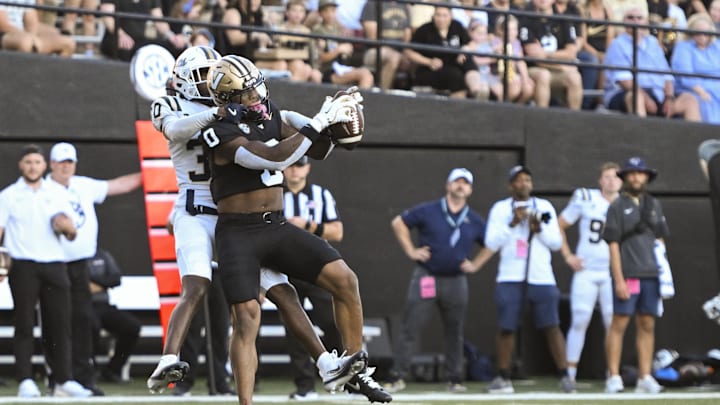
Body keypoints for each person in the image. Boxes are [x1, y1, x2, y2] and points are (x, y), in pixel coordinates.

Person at [148, 48, 387, 403]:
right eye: (247, 91)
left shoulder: (265, 110)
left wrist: (338, 122)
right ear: (226, 94)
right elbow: (271, 156)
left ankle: (348, 366)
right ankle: (172, 360)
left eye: (256, 87)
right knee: (232, 307)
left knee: (321, 284)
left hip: (272, 225)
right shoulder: (215, 123)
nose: (256, 96)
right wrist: (319, 121)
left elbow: (313, 145)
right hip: (222, 223)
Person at [44, 141, 141, 395]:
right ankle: (58, 377)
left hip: (80, 264)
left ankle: (83, 379)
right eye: (61, 162)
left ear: (74, 164)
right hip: (53, 263)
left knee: (83, 321)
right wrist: (62, 225)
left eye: (69, 162)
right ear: (52, 164)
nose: (65, 167)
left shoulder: (83, 185)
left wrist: (152, 172)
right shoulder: (43, 189)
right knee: (57, 322)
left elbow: (120, 185)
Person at [0, 144, 91, 398]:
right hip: (23, 265)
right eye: (28, 162)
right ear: (21, 165)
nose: (32, 167)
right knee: (24, 323)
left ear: (44, 166)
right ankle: (26, 380)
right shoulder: (8, 195)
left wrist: (67, 228)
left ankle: (62, 380)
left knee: (60, 325)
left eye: (37, 162)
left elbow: (68, 229)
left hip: (54, 263)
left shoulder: (57, 192)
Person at [383, 168, 486, 393]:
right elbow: (398, 223)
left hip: (456, 280)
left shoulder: (474, 219)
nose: (460, 186)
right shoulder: (429, 210)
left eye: (465, 183)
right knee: (411, 325)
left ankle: (455, 378)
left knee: (455, 330)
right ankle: (397, 376)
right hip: (427, 276)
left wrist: (476, 264)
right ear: (448, 185)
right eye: (457, 182)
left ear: (470, 189)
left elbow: (491, 242)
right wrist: (411, 250)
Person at [483, 165, 575, 394]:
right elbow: (491, 243)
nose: (523, 184)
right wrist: (512, 223)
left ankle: (565, 375)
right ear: (510, 185)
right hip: (510, 276)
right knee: (507, 327)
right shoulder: (500, 209)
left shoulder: (544, 207)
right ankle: (503, 376)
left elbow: (555, 242)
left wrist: (538, 228)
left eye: (527, 180)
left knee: (552, 326)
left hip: (541, 277)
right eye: (518, 180)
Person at [602, 157, 669, 394]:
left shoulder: (654, 204)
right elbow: (612, 244)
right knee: (619, 322)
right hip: (629, 273)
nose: (636, 178)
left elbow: (660, 239)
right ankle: (614, 376)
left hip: (651, 273)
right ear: (625, 178)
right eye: (631, 174)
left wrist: (665, 273)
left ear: (647, 177)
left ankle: (645, 376)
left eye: (640, 173)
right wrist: (618, 278)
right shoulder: (617, 206)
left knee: (647, 323)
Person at [281, 156, 341, 400]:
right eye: (291, 165)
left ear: (308, 167)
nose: (295, 170)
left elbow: (337, 231)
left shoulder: (320, 195)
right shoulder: (273, 195)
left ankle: (343, 376)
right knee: (294, 328)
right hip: (286, 267)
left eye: (300, 165)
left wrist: (308, 225)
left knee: (332, 321)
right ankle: (305, 386)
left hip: (316, 268)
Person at [558, 162, 623, 382]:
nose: (611, 180)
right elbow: (559, 225)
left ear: (621, 181)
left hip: (612, 273)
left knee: (612, 323)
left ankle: (612, 374)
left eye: (615, 177)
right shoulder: (586, 198)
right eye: (606, 176)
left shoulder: (626, 204)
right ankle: (570, 373)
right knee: (580, 319)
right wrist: (568, 256)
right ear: (599, 180)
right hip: (586, 270)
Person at [603, 7, 700, 120]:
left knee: (690, 100)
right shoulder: (617, 45)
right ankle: (641, 135)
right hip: (627, 94)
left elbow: (667, 76)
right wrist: (647, 99)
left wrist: (669, 98)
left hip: (658, 95)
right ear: (624, 22)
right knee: (636, 97)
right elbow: (625, 81)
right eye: (631, 18)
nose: (635, 21)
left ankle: (696, 138)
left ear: (646, 22)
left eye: (639, 18)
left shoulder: (653, 43)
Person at [88, 248, 141, 385]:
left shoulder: (102, 255)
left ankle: (112, 370)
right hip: (81, 304)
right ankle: (89, 370)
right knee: (91, 326)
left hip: (103, 305)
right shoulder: (73, 254)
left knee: (132, 327)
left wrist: (95, 282)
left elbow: (115, 278)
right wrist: (99, 283)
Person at [520, 0, 583, 110]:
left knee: (575, 77)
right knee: (543, 75)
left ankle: (574, 120)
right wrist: (561, 66)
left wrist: (545, 54)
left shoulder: (563, 20)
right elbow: (534, 57)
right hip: (534, 69)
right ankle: (541, 119)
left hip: (557, 71)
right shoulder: (526, 20)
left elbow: (571, 53)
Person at [404, 6, 477, 99]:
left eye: (444, 15)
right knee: (455, 75)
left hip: (455, 63)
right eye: (438, 15)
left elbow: (471, 43)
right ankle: (459, 107)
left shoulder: (457, 26)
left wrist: (464, 50)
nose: (441, 19)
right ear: (433, 16)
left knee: (468, 61)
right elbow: (408, 51)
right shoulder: (424, 30)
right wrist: (428, 61)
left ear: (451, 16)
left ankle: (477, 91)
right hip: (432, 69)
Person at [670, 13, 720, 125]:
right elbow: (686, 76)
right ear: (691, 32)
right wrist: (701, 91)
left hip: (717, 86)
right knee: (705, 101)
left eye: (706, 33)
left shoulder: (717, 46)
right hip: (693, 89)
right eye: (698, 33)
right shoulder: (683, 47)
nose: (702, 36)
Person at [312, 0, 375, 89]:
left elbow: (344, 52)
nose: (330, 14)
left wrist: (347, 49)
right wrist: (338, 50)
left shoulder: (337, 29)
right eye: (326, 11)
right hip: (327, 71)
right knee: (365, 75)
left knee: (367, 74)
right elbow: (320, 58)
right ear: (320, 13)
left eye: (333, 10)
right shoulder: (318, 31)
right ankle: (359, 102)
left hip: (340, 67)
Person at [99, 0, 188, 61]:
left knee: (177, 48)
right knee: (126, 49)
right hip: (115, 40)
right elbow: (107, 16)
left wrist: (172, 37)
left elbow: (158, 20)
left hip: (139, 41)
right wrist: (121, 35)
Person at [0, 0, 76, 57]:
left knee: (68, 43)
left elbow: (32, 24)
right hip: (5, 34)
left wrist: (35, 38)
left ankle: (54, 75)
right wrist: (31, 38)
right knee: (26, 42)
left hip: (22, 34)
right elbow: (3, 25)